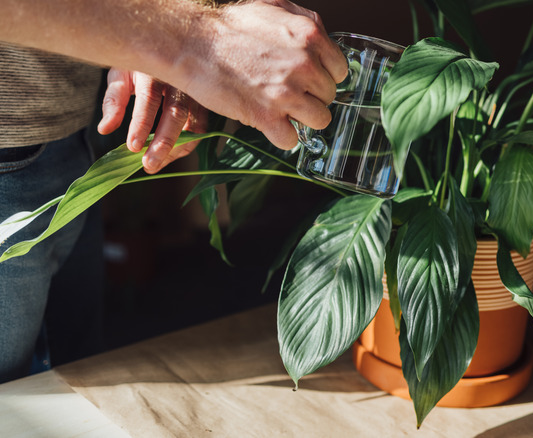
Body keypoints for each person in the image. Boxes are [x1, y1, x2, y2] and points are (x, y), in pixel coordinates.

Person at [0, 0, 347, 383]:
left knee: (73, 385)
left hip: (69, 134)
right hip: (10, 156)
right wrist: (190, 39)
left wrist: (138, 30)